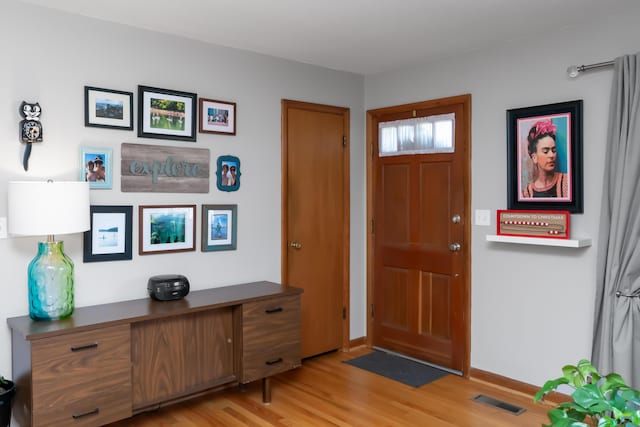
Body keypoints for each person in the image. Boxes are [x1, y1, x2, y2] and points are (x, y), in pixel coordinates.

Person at [522, 119, 568, 198]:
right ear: (534, 157)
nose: (551, 155)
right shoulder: (527, 194)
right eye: (545, 151)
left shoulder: (567, 182)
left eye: (554, 150)